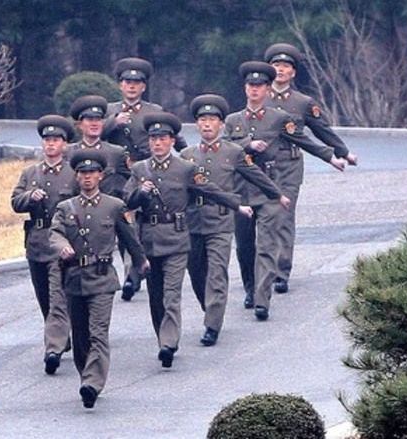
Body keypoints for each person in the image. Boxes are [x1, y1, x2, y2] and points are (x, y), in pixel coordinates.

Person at [123, 111, 252, 367]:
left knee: (172, 294)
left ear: (172, 141)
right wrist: (141, 192)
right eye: (153, 139)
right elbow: (128, 200)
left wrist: (238, 206)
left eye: (163, 139)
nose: (157, 143)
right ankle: (162, 337)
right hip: (149, 239)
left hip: (177, 239)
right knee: (156, 295)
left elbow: (210, 190)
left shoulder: (186, 168)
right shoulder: (139, 169)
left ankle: (169, 343)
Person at [225, 61, 347, 320]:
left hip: (270, 188)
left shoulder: (280, 118)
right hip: (241, 190)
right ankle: (250, 288)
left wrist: (332, 157)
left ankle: (262, 298)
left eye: (260, 86)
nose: (255, 90)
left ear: (268, 89)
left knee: (267, 244)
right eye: (250, 86)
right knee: (245, 246)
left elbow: (303, 140)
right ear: (245, 89)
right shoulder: (233, 120)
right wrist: (247, 143)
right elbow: (223, 148)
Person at [180, 94, 289, 346]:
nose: (207, 125)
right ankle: (209, 307)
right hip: (193, 221)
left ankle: (212, 325)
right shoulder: (186, 155)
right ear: (197, 125)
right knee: (197, 273)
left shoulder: (234, 152)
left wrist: (277, 194)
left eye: (212, 120)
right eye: (202, 120)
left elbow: (255, 176)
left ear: (221, 125)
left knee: (217, 273)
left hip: (220, 222)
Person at [49, 149, 148, 409]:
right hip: (74, 279)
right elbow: (55, 234)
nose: (87, 177)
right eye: (83, 173)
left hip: (103, 279)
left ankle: (93, 382)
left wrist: (140, 261)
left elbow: (129, 237)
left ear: (101, 176)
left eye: (92, 173)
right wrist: (62, 246)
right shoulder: (65, 208)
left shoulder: (114, 206)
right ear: (77, 177)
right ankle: (87, 375)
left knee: (98, 333)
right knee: (80, 336)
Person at [264, 43, 358, 294]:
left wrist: (343, 151)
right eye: (275, 66)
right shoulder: (258, 97)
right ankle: (262, 269)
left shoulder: (303, 102)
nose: (280, 70)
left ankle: (281, 270)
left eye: (285, 66)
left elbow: (322, 129)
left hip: (289, 166)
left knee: (283, 217)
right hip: (261, 166)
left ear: (293, 73)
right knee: (262, 219)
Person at [102, 57, 188, 301]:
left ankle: (135, 271)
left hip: (147, 176)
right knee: (122, 226)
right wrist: (113, 123)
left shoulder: (155, 112)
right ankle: (132, 270)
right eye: (127, 82)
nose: (131, 86)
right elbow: (91, 137)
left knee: (140, 224)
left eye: (136, 82)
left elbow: (177, 141)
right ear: (120, 85)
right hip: (116, 179)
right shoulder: (109, 111)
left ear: (143, 87)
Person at [11, 114, 77, 375]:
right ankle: (62, 334)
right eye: (47, 140)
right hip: (36, 243)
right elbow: (15, 202)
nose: (51, 144)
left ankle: (53, 349)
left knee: (57, 295)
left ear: (64, 144)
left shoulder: (74, 173)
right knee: (44, 299)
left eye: (56, 140)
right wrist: (29, 197)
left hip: (60, 243)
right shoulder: (30, 173)